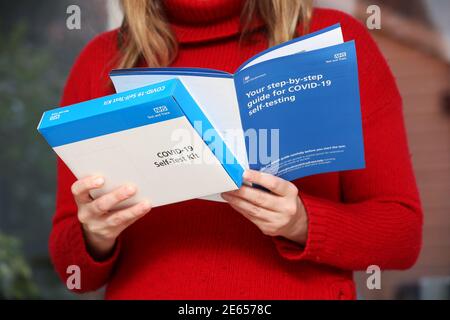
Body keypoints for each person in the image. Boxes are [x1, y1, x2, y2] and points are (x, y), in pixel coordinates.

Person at [50, 0, 423, 299]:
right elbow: (74, 274)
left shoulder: (336, 40)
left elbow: (402, 234)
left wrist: (302, 223)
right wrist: (96, 235)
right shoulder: (99, 62)